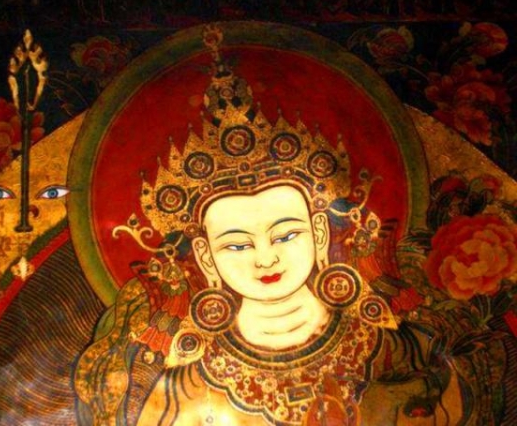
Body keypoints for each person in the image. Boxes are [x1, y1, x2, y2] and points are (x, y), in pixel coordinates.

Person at [74, 25, 465, 425]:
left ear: (319, 233)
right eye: (237, 245)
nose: (266, 259)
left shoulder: (390, 348)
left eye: (287, 234)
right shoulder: (186, 379)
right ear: (206, 257)